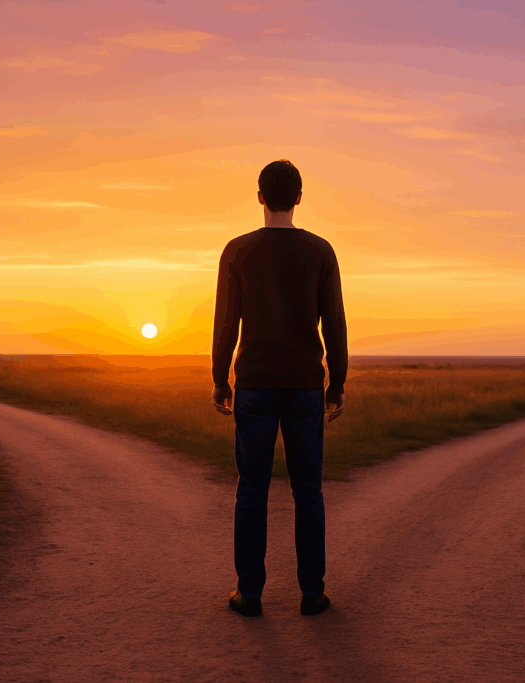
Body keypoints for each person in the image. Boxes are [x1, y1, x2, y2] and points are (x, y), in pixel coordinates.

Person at [211, 159, 348, 617]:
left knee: (252, 488)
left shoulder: (238, 251)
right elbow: (335, 322)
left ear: (259, 196)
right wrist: (338, 382)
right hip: (306, 385)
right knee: (308, 491)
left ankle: (249, 593)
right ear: (300, 197)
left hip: (253, 384)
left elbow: (226, 322)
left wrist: (219, 378)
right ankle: (312, 593)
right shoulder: (320, 251)